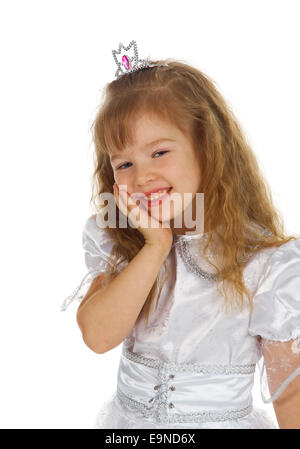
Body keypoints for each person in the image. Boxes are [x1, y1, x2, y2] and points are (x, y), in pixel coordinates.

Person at [61, 40, 300, 429]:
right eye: (124, 163)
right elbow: (98, 336)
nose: (141, 177)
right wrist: (155, 246)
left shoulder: (266, 263)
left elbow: (292, 395)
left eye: (159, 153)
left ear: (208, 148)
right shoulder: (122, 243)